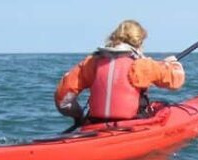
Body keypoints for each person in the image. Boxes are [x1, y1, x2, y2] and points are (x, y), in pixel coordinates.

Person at [54, 20, 186, 122]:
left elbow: (62, 97)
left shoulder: (92, 62)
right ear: (139, 43)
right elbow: (176, 81)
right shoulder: (141, 65)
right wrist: (172, 64)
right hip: (132, 127)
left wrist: (78, 116)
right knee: (162, 107)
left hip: (94, 125)